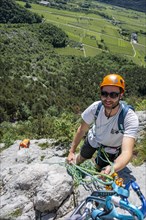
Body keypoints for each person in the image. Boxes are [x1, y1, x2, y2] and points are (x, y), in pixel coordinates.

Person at [67, 74, 139, 175]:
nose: (108, 98)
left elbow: (127, 152)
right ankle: (75, 165)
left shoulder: (129, 117)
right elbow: (82, 129)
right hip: (94, 139)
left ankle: (95, 167)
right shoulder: (95, 108)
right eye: (104, 94)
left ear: (121, 95)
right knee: (82, 156)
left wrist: (113, 168)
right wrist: (71, 151)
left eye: (113, 95)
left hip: (111, 148)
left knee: (101, 168)